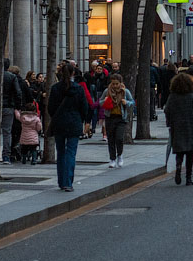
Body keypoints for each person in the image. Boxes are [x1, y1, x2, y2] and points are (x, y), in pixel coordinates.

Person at [48, 64, 91, 192]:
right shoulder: (78, 89)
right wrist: (82, 120)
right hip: (74, 122)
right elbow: (84, 107)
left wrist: (56, 117)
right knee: (71, 152)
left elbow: (50, 107)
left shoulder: (55, 88)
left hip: (59, 122)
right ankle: (68, 182)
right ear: (73, 73)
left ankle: (61, 181)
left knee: (60, 152)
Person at [164, 72, 193, 186]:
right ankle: (188, 178)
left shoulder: (172, 96)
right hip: (190, 126)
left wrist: (170, 122)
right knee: (189, 153)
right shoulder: (191, 96)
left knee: (179, 151)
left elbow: (167, 110)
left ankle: (178, 168)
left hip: (177, 126)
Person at [101, 74, 134, 168]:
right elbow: (100, 102)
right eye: (113, 83)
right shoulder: (107, 91)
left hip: (121, 118)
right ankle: (112, 159)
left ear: (120, 83)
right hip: (110, 117)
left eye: (117, 84)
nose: (115, 86)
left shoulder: (125, 92)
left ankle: (120, 155)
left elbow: (132, 102)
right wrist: (105, 101)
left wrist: (126, 102)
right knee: (110, 139)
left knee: (119, 138)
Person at [1, 59, 24, 163]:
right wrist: (18, 106)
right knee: (7, 132)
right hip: (8, 107)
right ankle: (6, 156)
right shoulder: (12, 77)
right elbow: (18, 93)